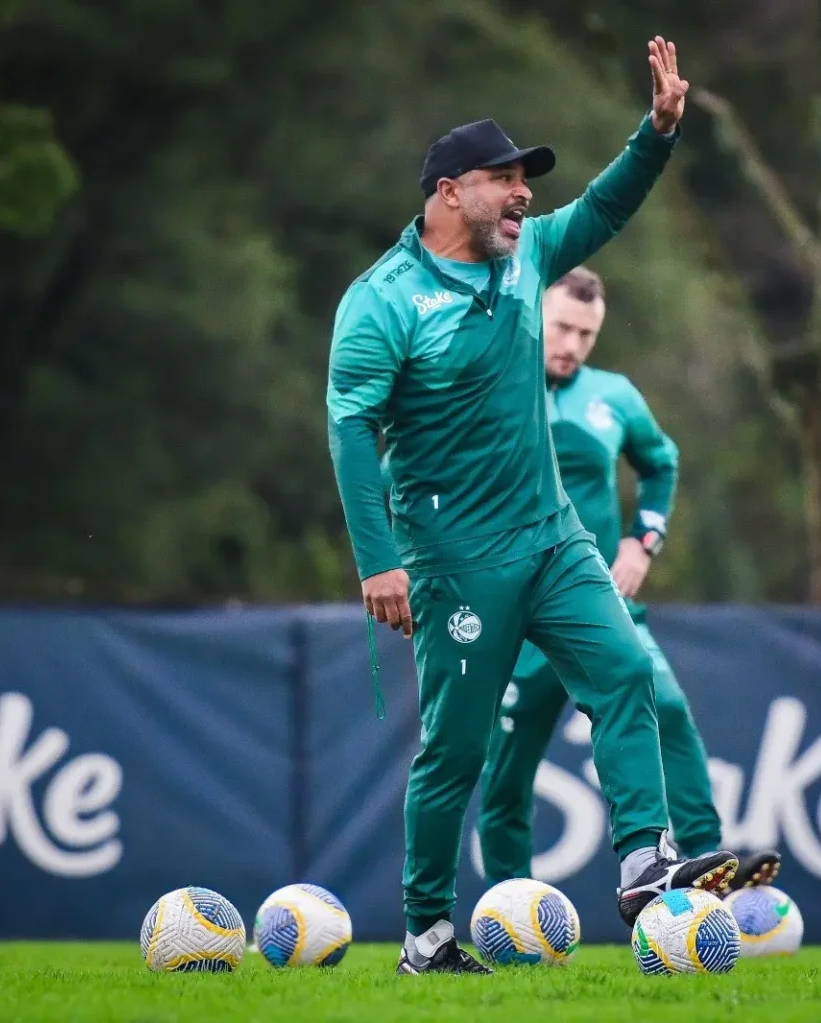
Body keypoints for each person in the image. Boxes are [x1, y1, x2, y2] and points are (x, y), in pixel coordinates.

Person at [327, 37, 740, 976]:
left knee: (626, 670)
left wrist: (658, 134)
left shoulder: (531, 256)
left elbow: (602, 206)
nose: (522, 194)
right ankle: (428, 931)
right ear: (446, 192)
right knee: (456, 753)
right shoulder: (382, 301)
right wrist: (377, 558)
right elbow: (351, 432)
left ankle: (644, 859)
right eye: (502, 178)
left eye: (524, 180)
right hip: (455, 558)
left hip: (555, 539)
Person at [475, 266, 783, 888]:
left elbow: (661, 463)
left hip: (595, 600)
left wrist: (643, 544)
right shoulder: (491, 383)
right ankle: (507, 906)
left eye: (586, 335)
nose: (571, 344)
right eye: (562, 327)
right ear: (536, 314)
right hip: (516, 616)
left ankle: (706, 859)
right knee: (507, 774)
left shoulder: (613, 395)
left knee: (664, 704)